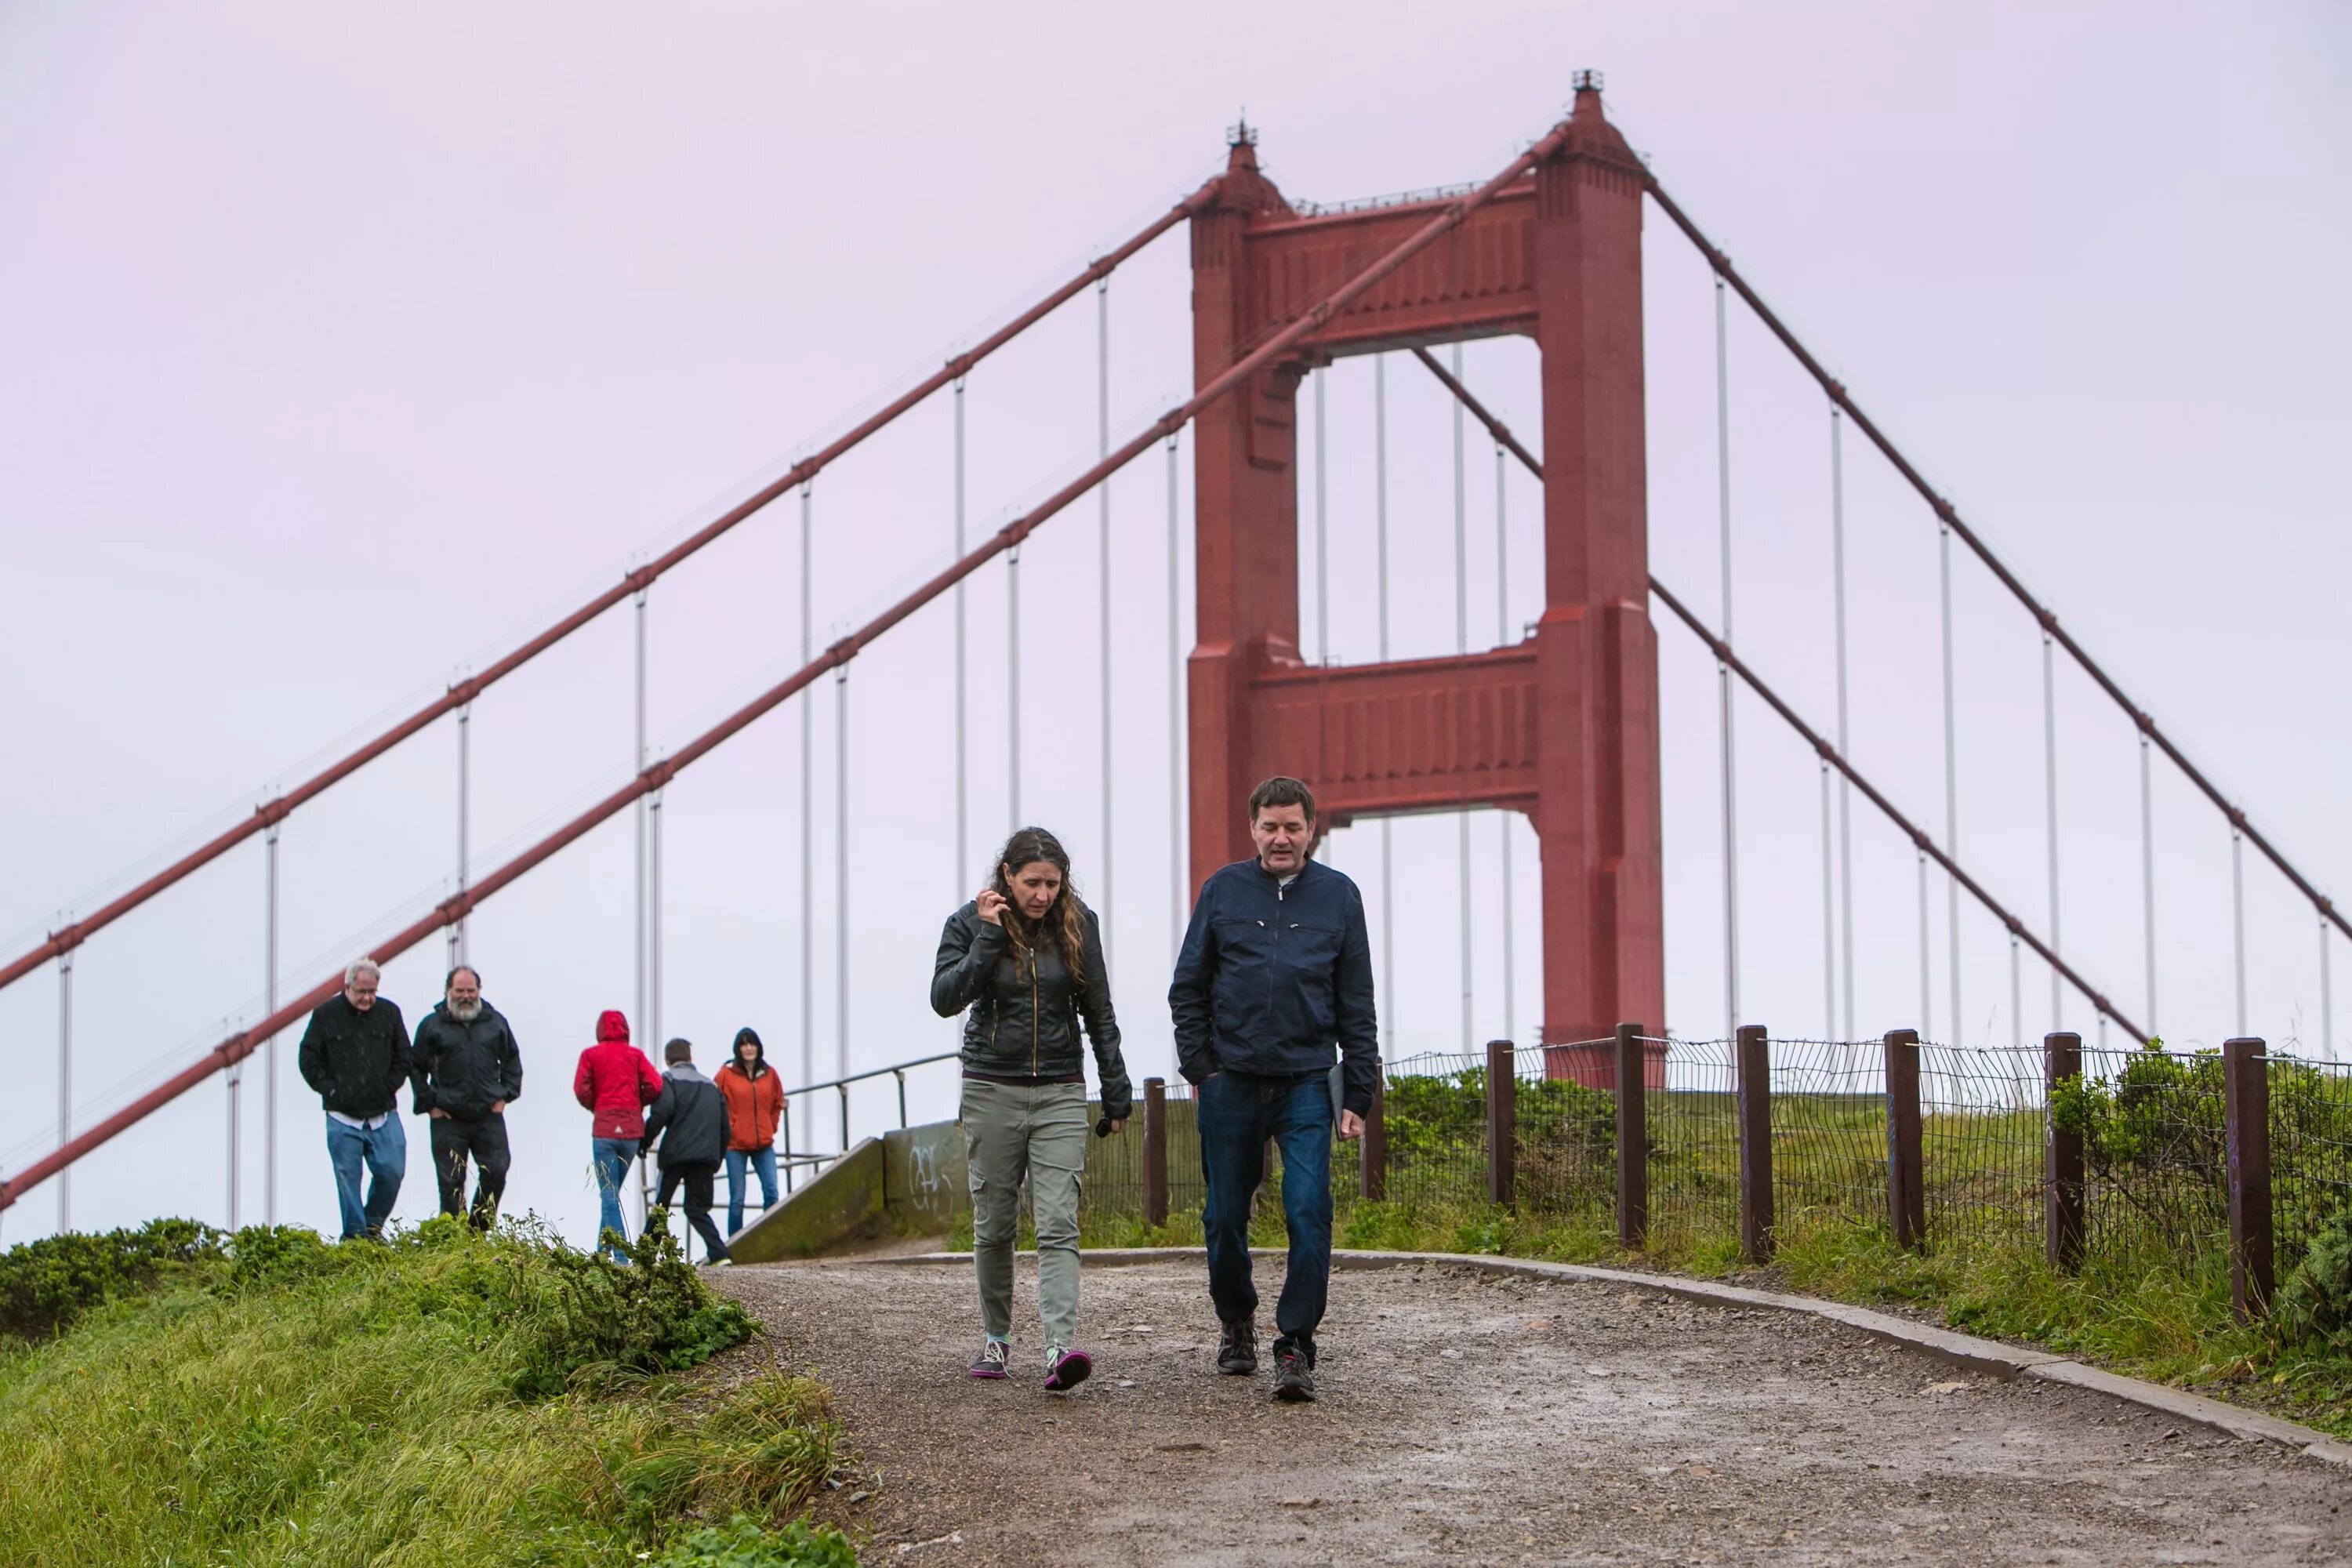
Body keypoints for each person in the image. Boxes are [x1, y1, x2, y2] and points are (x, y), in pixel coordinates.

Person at [1169, 776, 1378, 1402]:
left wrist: (1358, 1093)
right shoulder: (1223, 891)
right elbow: (1189, 987)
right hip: (1230, 1080)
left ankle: (1295, 1343)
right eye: (1270, 826)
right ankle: (1237, 1324)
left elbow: (1357, 1004)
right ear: (1252, 829)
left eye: (1293, 826)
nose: (1281, 837)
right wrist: (1201, 1066)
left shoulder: (1340, 897)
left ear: (1312, 829)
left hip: (1308, 1081)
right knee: (1224, 1216)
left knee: (1310, 1210)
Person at [931, 826, 1131, 1392]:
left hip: (1061, 1090)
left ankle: (1059, 1349)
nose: (1042, 895)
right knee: (994, 1224)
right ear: (1008, 878)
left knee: (1058, 1223)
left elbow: (1100, 1011)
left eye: (1052, 883)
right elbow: (945, 998)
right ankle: (996, 1340)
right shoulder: (968, 923)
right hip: (991, 1087)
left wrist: (1115, 1088)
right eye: (1031, 883)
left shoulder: (1078, 923)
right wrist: (988, 938)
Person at [296, 957, 412, 1241]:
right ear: (347, 987)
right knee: (349, 1180)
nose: (367, 998)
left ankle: (371, 1228)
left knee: (392, 1171)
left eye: (372, 992)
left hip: (383, 1113)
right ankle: (356, 1238)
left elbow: (404, 1056)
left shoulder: (389, 1013)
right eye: (361, 992)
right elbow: (308, 1059)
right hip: (342, 1117)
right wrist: (331, 1090)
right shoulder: (325, 1015)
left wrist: (388, 1087)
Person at [408, 964, 522, 1231]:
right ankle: (455, 1240)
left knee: (497, 1170)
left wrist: (505, 1096)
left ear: (479, 991)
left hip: (488, 1116)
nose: (466, 996)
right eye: (460, 990)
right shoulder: (431, 1025)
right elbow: (414, 1067)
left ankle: (478, 1232)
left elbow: (513, 1062)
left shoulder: (496, 1023)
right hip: (448, 1118)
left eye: (471, 991)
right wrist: (430, 1105)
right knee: (451, 1182)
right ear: (448, 991)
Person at [573, 1008, 662, 1262]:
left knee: (609, 1195)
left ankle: (621, 1256)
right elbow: (655, 1085)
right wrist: (637, 1103)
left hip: (604, 1131)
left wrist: (597, 1105)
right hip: (631, 1133)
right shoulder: (635, 1056)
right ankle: (602, 1253)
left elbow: (581, 1089)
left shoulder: (590, 1055)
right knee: (611, 1195)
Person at [641, 1037, 732, 1265]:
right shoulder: (711, 1086)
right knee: (696, 1208)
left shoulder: (668, 1079)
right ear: (691, 1059)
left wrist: (645, 1140)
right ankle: (719, 1254)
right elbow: (725, 1128)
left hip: (676, 1154)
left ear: (668, 1060)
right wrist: (715, 1159)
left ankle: (647, 1256)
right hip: (704, 1158)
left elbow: (662, 1111)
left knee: (661, 1206)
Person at [716, 1026, 786, 1235]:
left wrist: (771, 1126)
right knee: (737, 1199)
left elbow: (777, 1101)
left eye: (751, 1043)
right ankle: (735, 1245)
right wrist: (729, 1128)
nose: (748, 1048)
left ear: (758, 1047)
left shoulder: (770, 1074)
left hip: (764, 1143)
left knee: (772, 1192)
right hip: (735, 1145)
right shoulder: (725, 1075)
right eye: (744, 1044)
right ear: (738, 1048)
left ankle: (770, 1239)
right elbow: (715, 1102)